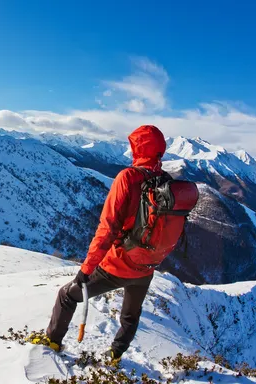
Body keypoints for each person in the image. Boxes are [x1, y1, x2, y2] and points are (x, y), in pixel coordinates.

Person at [44, 125, 168, 360]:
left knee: (67, 295)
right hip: (147, 266)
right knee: (130, 316)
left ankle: (51, 343)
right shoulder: (166, 181)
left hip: (118, 264)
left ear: (138, 147)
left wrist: (86, 269)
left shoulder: (128, 178)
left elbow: (107, 228)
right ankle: (115, 355)